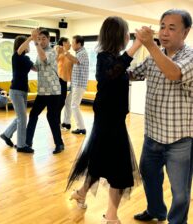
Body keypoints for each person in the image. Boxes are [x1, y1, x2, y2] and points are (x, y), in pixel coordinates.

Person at [67, 16, 142, 223]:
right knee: (118, 168)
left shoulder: (116, 58)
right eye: (127, 32)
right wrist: (136, 46)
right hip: (108, 122)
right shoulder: (104, 57)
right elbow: (111, 74)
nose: (129, 36)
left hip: (113, 120)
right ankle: (111, 216)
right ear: (118, 35)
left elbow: (119, 74)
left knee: (100, 162)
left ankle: (82, 193)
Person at [131, 9, 193, 224]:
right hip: (152, 135)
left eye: (171, 28)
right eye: (162, 27)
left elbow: (174, 73)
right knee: (149, 177)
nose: (164, 32)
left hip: (180, 140)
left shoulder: (190, 56)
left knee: (181, 192)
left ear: (185, 33)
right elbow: (131, 73)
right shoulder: (154, 57)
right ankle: (156, 211)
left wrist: (150, 45)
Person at [26, 29, 64, 154]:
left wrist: (35, 42)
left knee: (51, 117)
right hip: (42, 91)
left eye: (43, 39)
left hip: (53, 91)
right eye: (39, 39)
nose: (41, 41)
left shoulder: (52, 51)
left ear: (48, 39)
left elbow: (45, 59)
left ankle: (59, 144)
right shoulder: (39, 52)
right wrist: (26, 63)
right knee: (33, 114)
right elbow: (37, 68)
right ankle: (27, 142)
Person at [0, 33, 36, 153]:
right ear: (22, 45)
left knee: (20, 117)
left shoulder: (26, 59)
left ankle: (6, 134)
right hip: (15, 91)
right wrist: (31, 38)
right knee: (22, 117)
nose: (29, 45)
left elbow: (36, 69)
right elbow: (20, 50)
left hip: (23, 90)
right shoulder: (16, 56)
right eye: (27, 43)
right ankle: (21, 145)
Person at [62, 35, 89, 134]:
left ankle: (81, 128)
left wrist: (65, 51)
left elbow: (75, 60)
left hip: (79, 85)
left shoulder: (82, 53)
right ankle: (66, 122)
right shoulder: (78, 53)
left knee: (74, 105)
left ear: (79, 44)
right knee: (68, 102)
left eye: (73, 43)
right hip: (75, 85)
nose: (72, 45)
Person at [55, 37, 73, 128]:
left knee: (61, 102)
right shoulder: (58, 50)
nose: (70, 44)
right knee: (60, 103)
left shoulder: (68, 54)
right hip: (59, 80)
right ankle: (56, 123)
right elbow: (54, 61)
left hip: (64, 81)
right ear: (63, 43)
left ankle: (56, 122)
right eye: (68, 42)